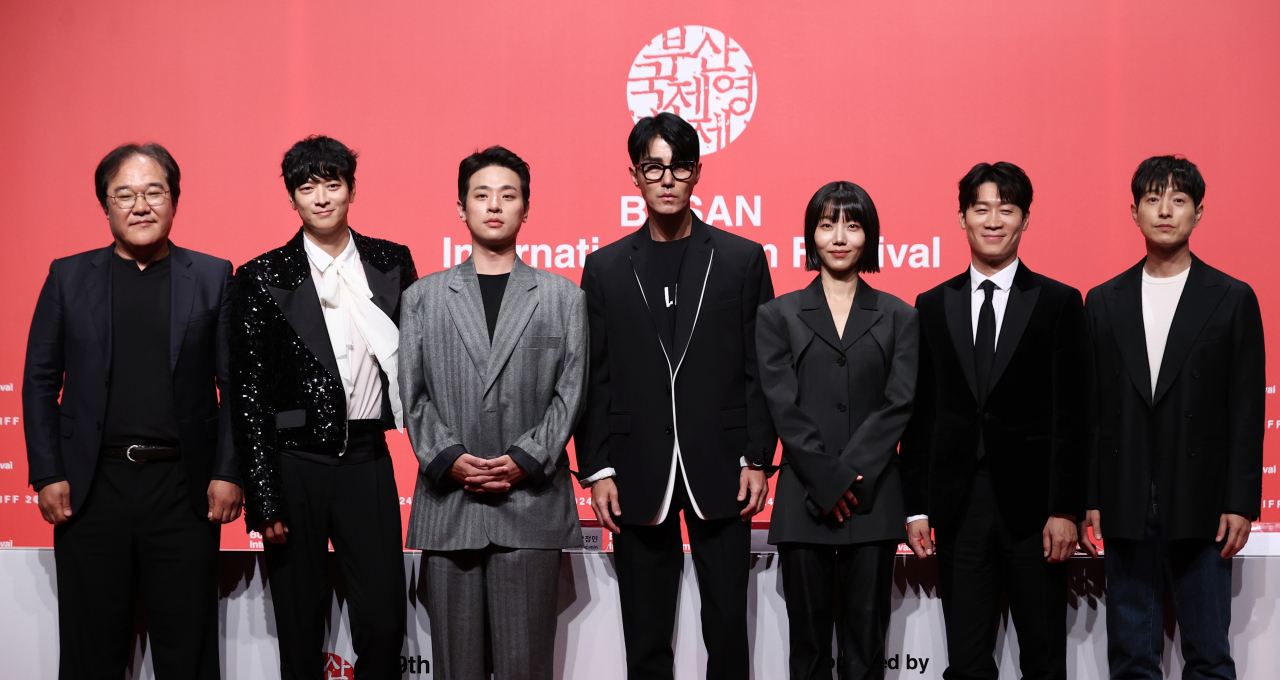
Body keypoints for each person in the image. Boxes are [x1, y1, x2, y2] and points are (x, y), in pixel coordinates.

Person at [23, 142, 242, 679]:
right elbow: (40, 381)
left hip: (183, 490)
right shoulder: (67, 277)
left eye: (153, 192)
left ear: (174, 201)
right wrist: (49, 472)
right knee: (89, 650)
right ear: (105, 206)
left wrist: (227, 471)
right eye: (125, 194)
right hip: (92, 488)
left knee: (186, 651)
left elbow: (235, 386)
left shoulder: (213, 276)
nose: (140, 205)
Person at [575, 112, 777, 680]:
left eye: (679, 167)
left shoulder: (741, 259)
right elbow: (595, 376)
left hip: (724, 465)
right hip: (636, 468)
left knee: (728, 636)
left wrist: (757, 457)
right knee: (644, 636)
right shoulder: (606, 267)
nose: (666, 179)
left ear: (697, 174)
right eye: (653, 167)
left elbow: (760, 368)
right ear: (635, 176)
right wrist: (598, 468)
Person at [231, 135, 416, 679]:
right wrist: (264, 498)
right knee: (299, 624)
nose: (320, 197)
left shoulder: (391, 261)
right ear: (292, 199)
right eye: (306, 187)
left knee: (384, 622)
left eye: (331, 183)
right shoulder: (262, 275)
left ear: (351, 190)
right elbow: (249, 394)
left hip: (367, 459)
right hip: (295, 465)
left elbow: (421, 360)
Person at [400, 145, 587, 680]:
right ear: (461, 208)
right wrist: (450, 457)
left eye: (508, 195)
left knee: (524, 667)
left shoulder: (561, 297)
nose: (494, 206)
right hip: (449, 504)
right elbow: (410, 396)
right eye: (481, 195)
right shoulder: (423, 297)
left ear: (526, 208)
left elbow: (570, 392)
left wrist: (526, 457)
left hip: (529, 504)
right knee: (455, 671)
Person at [899, 161, 1089, 680]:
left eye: (1006, 210)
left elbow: (1074, 415)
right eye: (981, 209)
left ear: (1025, 219)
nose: (993, 220)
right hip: (959, 507)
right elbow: (922, 415)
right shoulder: (933, 305)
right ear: (961, 218)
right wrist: (916, 507)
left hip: (1036, 512)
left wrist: (1065, 508)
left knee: (1045, 656)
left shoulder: (1058, 302)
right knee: (965, 658)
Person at [1080, 155, 1264, 680]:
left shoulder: (1232, 299)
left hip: (1203, 501)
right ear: (1133, 211)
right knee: (1132, 657)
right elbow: (1093, 411)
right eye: (1153, 199)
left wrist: (1240, 501)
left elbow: (1247, 409)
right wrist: (1092, 498)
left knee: (1208, 655)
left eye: (1178, 200)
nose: (1165, 210)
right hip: (1125, 497)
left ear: (1198, 213)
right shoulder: (1103, 301)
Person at [756, 182, 918, 680]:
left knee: (865, 651)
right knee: (807, 652)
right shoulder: (777, 314)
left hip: (872, 502)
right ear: (811, 236)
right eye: (827, 224)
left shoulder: (900, 315)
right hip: (804, 501)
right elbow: (782, 405)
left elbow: (900, 404)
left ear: (869, 236)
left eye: (852, 224)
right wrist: (827, 479)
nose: (840, 236)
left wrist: (848, 477)